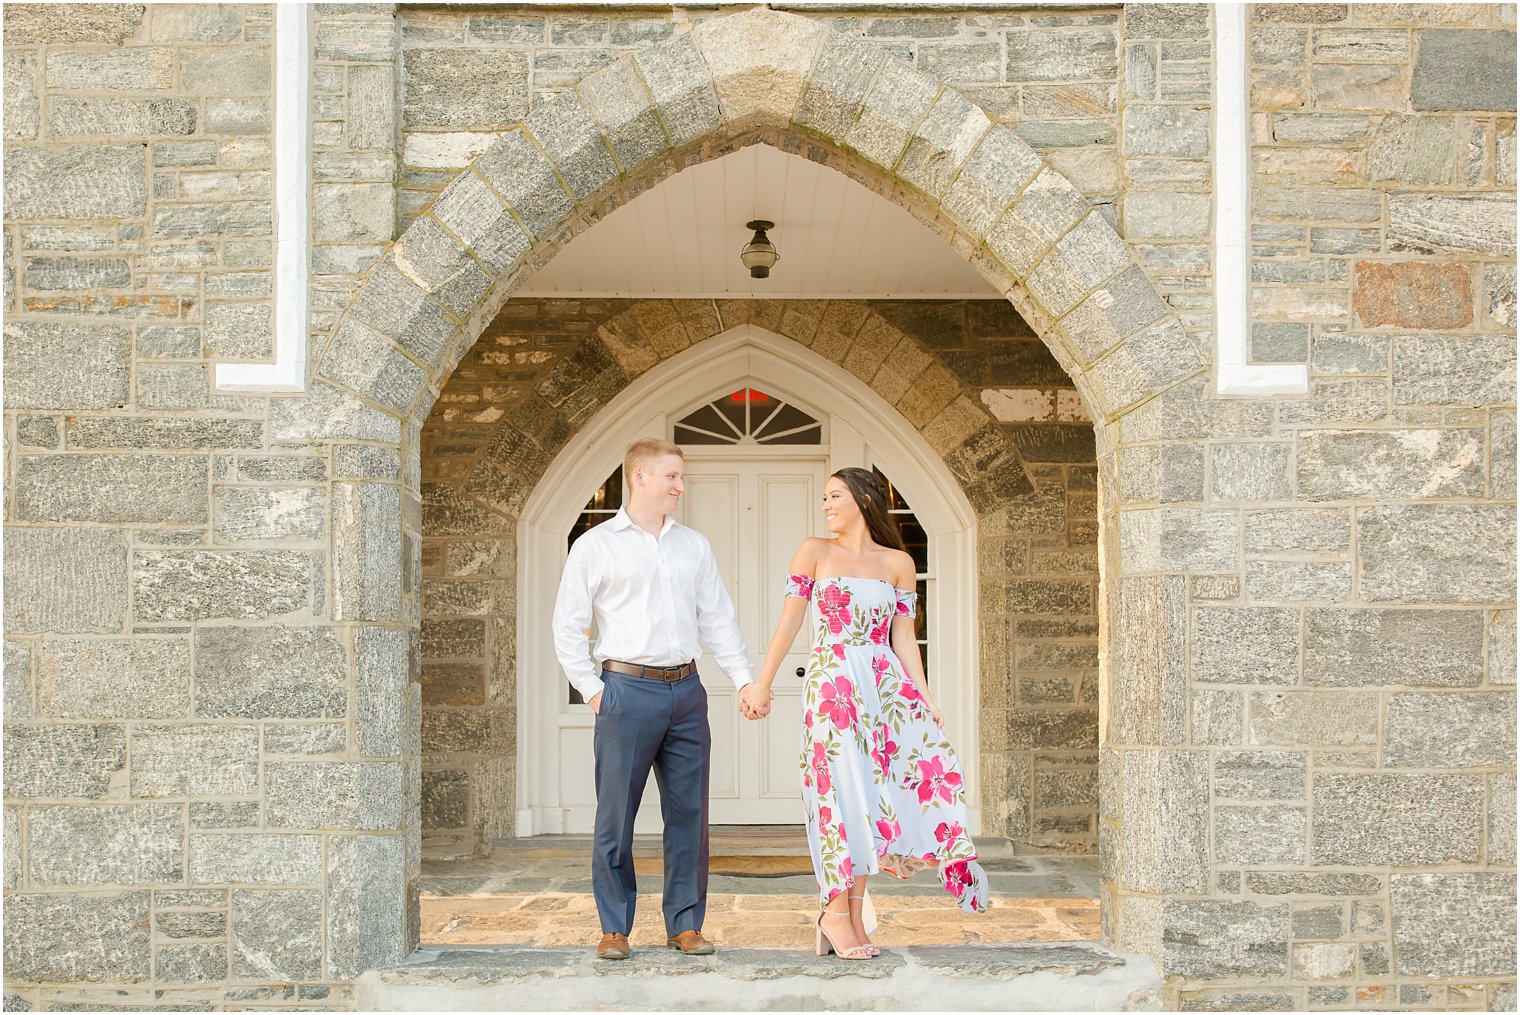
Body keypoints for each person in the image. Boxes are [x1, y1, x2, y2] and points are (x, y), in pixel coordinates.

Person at [747, 467, 987, 959]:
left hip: (882, 687)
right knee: (839, 794)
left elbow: (903, 637)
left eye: (835, 496)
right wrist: (763, 682)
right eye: (824, 497)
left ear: (863, 498)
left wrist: (924, 696)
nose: (826, 504)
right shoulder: (814, 551)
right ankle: (835, 913)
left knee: (874, 797)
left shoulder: (898, 562)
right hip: (832, 683)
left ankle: (853, 916)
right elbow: (790, 622)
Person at [552, 437, 768, 961]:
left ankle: (685, 924)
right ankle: (614, 928)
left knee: (690, 815)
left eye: (681, 477)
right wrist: (594, 691)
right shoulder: (596, 545)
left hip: (687, 693)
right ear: (640, 477)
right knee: (615, 816)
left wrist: (743, 678)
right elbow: (568, 624)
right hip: (625, 691)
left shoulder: (693, 545)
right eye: (671, 476)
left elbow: (717, 619)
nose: (680, 486)